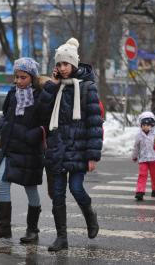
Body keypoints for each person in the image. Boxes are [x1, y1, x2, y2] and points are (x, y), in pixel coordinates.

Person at [39, 38, 103, 251]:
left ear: (74, 64)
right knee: (57, 194)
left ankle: (90, 215)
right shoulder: (54, 87)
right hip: (57, 147)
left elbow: (94, 122)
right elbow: (42, 113)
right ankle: (61, 238)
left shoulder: (87, 88)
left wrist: (93, 155)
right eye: (59, 64)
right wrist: (52, 86)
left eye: (66, 64)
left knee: (76, 188)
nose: (62, 68)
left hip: (78, 148)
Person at [0, 57, 46, 243]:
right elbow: (5, 114)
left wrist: (31, 136)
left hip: (29, 150)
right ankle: (4, 228)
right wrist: (2, 125)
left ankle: (32, 230)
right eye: (16, 77)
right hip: (10, 147)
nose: (18, 81)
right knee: (2, 183)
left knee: (30, 188)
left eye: (23, 77)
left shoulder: (40, 96)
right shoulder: (12, 94)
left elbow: (46, 124)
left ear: (32, 78)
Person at [131, 111, 155, 201]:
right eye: (144, 125)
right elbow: (136, 147)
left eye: (148, 125)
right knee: (142, 174)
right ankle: (140, 192)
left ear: (152, 125)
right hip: (143, 159)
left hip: (154, 159)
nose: (146, 127)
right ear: (141, 125)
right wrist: (134, 156)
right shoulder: (139, 135)